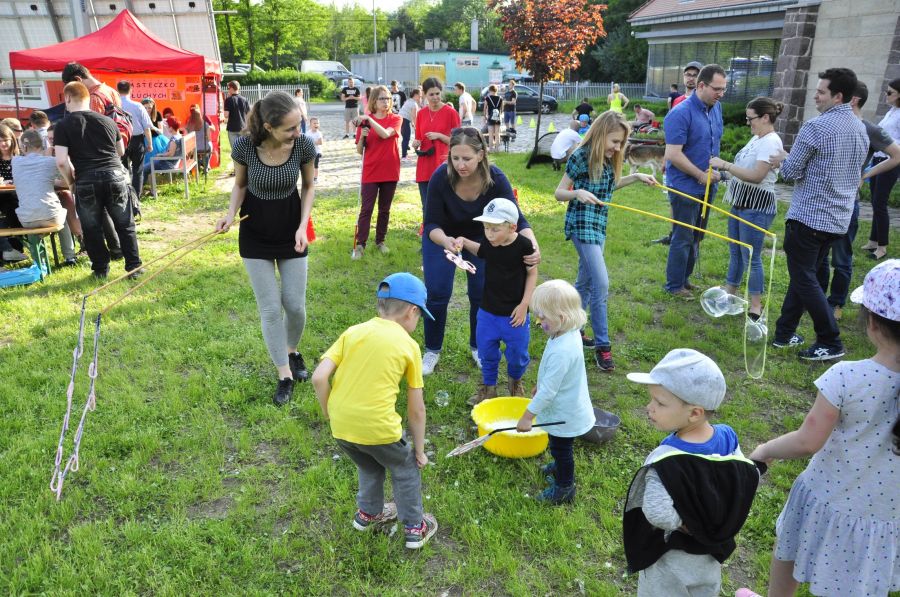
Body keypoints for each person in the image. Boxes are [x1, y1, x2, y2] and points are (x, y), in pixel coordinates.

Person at [745, 259, 900, 597]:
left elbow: (807, 441)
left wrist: (765, 450)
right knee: (855, 580)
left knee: (790, 551)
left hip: (827, 498)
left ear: (871, 323)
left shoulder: (847, 377)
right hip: (885, 514)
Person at [311, 272, 438, 550]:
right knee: (404, 469)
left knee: (368, 464)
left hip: (342, 427)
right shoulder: (409, 346)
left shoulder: (353, 332)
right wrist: (418, 450)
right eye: (419, 316)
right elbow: (416, 409)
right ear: (412, 311)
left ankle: (368, 513)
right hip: (380, 429)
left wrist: (330, 413)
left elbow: (319, 378)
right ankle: (415, 528)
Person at [623, 348, 761, 597]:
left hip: (671, 562)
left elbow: (657, 513)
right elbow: (739, 477)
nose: (649, 407)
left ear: (695, 412)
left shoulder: (665, 461)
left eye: (660, 403)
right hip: (711, 555)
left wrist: (688, 524)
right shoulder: (728, 437)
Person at [214, 91, 317, 406]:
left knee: (295, 306)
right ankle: (284, 373)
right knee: (271, 309)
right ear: (269, 127)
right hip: (255, 232)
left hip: (291, 229)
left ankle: (291, 349)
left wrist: (302, 226)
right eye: (290, 128)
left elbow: (309, 185)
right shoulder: (245, 146)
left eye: (298, 125)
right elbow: (241, 185)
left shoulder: (303, 145)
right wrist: (230, 215)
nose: (297, 132)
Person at [421, 127, 540, 375]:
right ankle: (432, 350)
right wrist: (446, 241)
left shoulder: (496, 179)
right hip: (443, 237)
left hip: (484, 237)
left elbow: (518, 219)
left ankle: (478, 346)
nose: (460, 165)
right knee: (438, 293)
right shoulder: (440, 177)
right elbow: (431, 223)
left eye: (467, 158)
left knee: (481, 294)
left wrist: (533, 245)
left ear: (481, 155)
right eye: (455, 158)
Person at [769, 68, 868, 361]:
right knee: (807, 276)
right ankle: (784, 334)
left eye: (821, 91)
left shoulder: (816, 127)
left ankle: (830, 340)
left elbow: (789, 171)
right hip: (838, 219)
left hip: (809, 217)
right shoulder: (860, 127)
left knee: (804, 279)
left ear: (838, 97)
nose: (815, 95)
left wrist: (785, 157)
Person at [554, 111, 658, 371]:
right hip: (581, 225)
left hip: (599, 226)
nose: (618, 147)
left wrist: (636, 177)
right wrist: (577, 192)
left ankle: (570, 329)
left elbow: (608, 188)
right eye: (614, 141)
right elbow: (559, 192)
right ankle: (603, 346)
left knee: (586, 283)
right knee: (601, 284)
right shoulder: (580, 156)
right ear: (601, 135)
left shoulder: (612, 158)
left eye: (621, 142)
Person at [819, 81, 900, 320]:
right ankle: (817, 297)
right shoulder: (829, 125)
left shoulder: (868, 129)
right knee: (820, 255)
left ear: (852, 100)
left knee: (841, 257)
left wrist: (865, 174)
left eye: (838, 95)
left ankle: (836, 304)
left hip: (846, 204)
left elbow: (896, 156)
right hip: (822, 203)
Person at [512, 279, 595, 504]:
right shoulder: (566, 333)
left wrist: (527, 417)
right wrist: (543, 383)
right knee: (559, 447)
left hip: (563, 415)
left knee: (561, 449)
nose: (539, 322)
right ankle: (559, 467)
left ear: (562, 318)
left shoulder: (563, 350)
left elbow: (549, 392)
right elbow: (557, 377)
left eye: (542, 317)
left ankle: (565, 487)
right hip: (566, 405)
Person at [54, 81, 142, 280]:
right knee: (125, 224)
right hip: (115, 176)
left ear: (67, 98)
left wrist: (71, 182)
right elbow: (120, 151)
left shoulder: (63, 125)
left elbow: (61, 161)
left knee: (92, 228)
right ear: (87, 98)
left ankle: (101, 269)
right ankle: (134, 267)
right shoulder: (108, 121)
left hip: (86, 179)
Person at [708, 96, 784, 320]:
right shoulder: (756, 139)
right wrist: (722, 175)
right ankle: (730, 294)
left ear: (765, 117)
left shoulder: (771, 141)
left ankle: (756, 305)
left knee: (752, 256)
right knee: (736, 253)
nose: (748, 122)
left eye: (751, 118)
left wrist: (724, 164)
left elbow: (757, 176)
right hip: (740, 203)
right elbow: (741, 170)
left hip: (757, 207)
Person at [458, 198, 537, 404]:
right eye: (485, 228)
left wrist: (524, 305)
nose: (489, 234)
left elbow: (532, 274)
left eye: (494, 229)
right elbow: (481, 250)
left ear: (512, 227)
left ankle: (515, 382)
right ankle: (489, 388)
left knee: (518, 354)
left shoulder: (524, 245)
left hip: (514, 315)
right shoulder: (490, 242)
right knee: (486, 351)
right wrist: (464, 241)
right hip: (488, 312)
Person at [663, 64, 726, 299]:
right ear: (701, 85)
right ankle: (673, 285)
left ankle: (684, 279)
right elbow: (673, 154)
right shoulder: (680, 113)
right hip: (685, 186)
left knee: (698, 235)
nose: (720, 93)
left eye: (723, 89)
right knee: (683, 236)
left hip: (708, 185)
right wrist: (700, 175)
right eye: (716, 89)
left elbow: (711, 144)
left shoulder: (716, 108)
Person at [11, 129, 76, 265]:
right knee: (62, 219)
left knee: (33, 222)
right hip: (52, 216)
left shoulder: (15, 162)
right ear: (43, 144)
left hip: (26, 219)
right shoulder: (51, 162)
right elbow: (67, 181)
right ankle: (70, 257)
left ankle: (39, 261)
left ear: (23, 146)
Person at [352, 85, 402, 260]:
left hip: (390, 170)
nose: (386, 102)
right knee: (366, 209)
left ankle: (380, 241)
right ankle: (360, 244)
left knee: (384, 209)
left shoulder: (396, 119)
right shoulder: (365, 122)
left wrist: (369, 120)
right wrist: (364, 135)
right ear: (374, 100)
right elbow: (359, 150)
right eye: (382, 98)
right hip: (370, 171)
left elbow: (385, 134)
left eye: (388, 98)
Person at [861, 78, 900, 261]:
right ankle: (873, 241)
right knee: (875, 202)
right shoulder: (892, 111)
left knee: (880, 203)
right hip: (878, 159)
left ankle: (882, 247)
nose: (886, 95)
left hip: (890, 163)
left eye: (890, 92)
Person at [413, 77, 460, 210]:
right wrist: (416, 143)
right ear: (425, 95)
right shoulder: (421, 114)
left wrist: (439, 136)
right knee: (426, 204)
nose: (435, 97)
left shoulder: (451, 113)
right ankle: (428, 230)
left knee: (445, 204)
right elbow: (419, 138)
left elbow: (459, 142)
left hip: (443, 164)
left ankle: (446, 230)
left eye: (437, 93)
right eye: (431, 94)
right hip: (424, 166)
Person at [117, 80, 153, 194]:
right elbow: (147, 127)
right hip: (137, 140)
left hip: (120, 140)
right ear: (131, 90)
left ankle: (125, 195)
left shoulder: (114, 105)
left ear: (117, 90)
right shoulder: (138, 106)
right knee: (138, 170)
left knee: (122, 169)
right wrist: (150, 144)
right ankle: (136, 197)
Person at [0, 123, 28, 262]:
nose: (3, 144)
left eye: (5, 140)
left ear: (12, 139)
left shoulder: (21, 157)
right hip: (3, 197)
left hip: (21, 196)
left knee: (12, 207)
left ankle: (11, 249)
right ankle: (9, 250)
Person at [223, 80, 250, 166]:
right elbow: (249, 114)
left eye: (228, 88)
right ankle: (246, 168)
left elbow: (226, 115)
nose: (228, 90)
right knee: (244, 149)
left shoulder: (228, 100)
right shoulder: (244, 99)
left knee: (235, 151)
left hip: (232, 128)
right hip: (243, 128)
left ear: (231, 88)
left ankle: (237, 171)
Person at [185, 105, 214, 173]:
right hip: (205, 147)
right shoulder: (206, 124)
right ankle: (206, 167)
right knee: (209, 146)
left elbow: (186, 139)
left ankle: (198, 166)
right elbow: (209, 138)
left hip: (193, 148)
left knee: (195, 153)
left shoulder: (188, 125)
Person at [398, 88, 419, 160]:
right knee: (406, 138)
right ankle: (404, 157)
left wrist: (412, 123)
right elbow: (414, 116)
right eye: (419, 95)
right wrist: (416, 127)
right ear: (415, 95)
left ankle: (405, 154)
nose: (420, 97)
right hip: (405, 120)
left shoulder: (408, 101)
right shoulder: (414, 104)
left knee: (404, 138)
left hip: (400, 119)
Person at [483, 84, 503, 153]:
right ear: (496, 90)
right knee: (497, 134)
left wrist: (485, 116)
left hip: (490, 118)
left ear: (489, 90)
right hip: (497, 118)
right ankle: (497, 149)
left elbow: (484, 108)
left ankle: (491, 149)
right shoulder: (500, 98)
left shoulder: (487, 98)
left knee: (491, 134)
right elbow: (501, 109)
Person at [305, 116, 323, 183]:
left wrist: (312, 142)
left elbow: (320, 142)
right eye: (314, 123)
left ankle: (315, 178)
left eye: (317, 123)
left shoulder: (319, 133)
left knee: (315, 166)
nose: (316, 125)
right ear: (310, 125)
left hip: (317, 152)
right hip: (309, 152)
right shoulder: (307, 133)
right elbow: (305, 142)